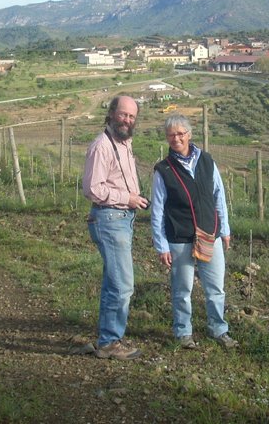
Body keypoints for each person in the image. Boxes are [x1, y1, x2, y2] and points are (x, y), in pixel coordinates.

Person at [150, 114, 238, 350]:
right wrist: (161, 245)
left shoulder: (207, 161)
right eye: (171, 134)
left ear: (189, 134)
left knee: (215, 288)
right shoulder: (163, 170)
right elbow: (157, 210)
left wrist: (225, 230)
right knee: (182, 289)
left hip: (209, 234)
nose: (176, 138)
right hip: (179, 238)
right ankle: (183, 332)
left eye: (180, 133)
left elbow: (219, 195)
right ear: (167, 138)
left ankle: (218, 329)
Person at [82, 95, 149, 359]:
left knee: (114, 282)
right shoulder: (102, 146)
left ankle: (108, 338)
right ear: (111, 114)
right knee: (123, 285)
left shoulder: (123, 144)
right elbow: (92, 189)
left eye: (132, 116)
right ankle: (110, 342)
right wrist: (128, 198)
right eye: (123, 115)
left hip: (121, 220)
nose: (127, 120)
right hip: (109, 219)